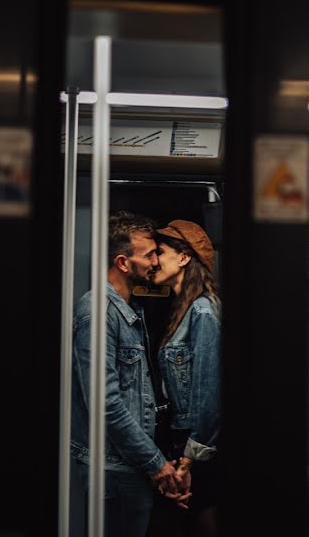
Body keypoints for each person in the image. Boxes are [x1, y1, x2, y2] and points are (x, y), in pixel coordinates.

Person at [71, 211, 188, 537]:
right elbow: (105, 403)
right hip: (115, 467)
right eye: (149, 253)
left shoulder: (129, 311)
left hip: (129, 463)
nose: (155, 260)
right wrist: (157, 464)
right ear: (123, 263)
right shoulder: (98, 312)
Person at [151, 219, 221, 536]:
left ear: (183, 257)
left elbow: (210, 393)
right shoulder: (184, 308)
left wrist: (189, 459)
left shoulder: (203, 311)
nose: (153, 261)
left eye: (160, 253)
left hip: (196, 446)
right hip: (181, 441)